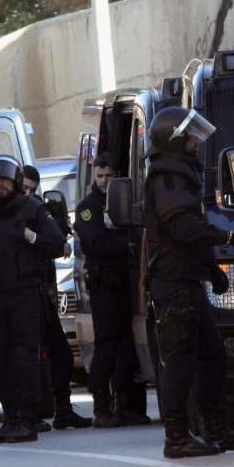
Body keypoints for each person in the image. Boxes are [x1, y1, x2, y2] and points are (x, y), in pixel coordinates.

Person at [144, 107, 234, 459]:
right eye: (190, 137)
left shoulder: (179, 176)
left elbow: (187, 238)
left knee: (212, 357)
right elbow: (184, 230)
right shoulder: (167, 179)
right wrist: (230, 236)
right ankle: (176, 437)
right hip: (174, 283)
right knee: (180, 360)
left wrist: (211, 271)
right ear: (176, 140)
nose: (196, 143)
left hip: (187, 279)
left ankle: (216, 429)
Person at [0, 156, 65, 443]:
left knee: (23, 357)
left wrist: (32, 237)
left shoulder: (31, 209)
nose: (1, 187)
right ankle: (10, 416)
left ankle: (28, 419)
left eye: (5, 181)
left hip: (25, 293)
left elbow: (57, 244)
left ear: (16, 182)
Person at [74, 155, 149, 428]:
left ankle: (125, 404)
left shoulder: (122, 202)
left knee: (126, 346)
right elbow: (94, 243)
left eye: (109, 176)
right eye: (100, 176)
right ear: (94, 177)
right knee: (105, 346)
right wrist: (125, 245)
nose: (105, 181)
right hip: (104, 284)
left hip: (125, 283)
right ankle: (101, 407)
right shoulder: (88, 207)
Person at [23, 164, 92, 430]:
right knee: (25, 358)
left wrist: (38, 236)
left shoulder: (38, 211)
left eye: (32, 189)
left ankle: (63, 409)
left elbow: (57, 241)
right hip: (20, 298)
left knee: (61, 355)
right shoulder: (8, 214)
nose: (28, 193)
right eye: (24, 188)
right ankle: (26, 415)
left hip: (43, 295)